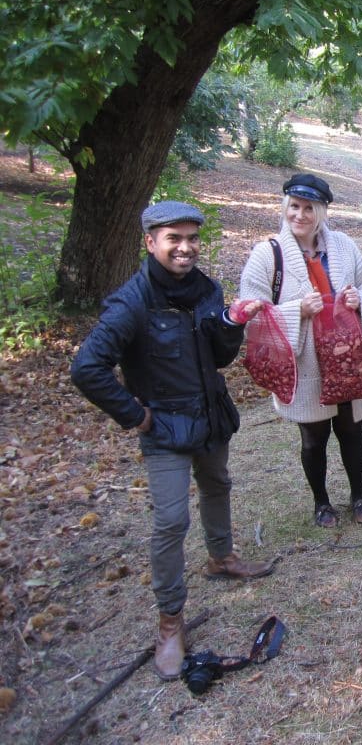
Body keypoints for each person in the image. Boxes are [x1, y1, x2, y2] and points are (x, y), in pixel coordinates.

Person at [70, 201, 274, 681]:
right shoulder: (132, 302)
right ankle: (170, 621)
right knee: (170, 520)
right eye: (173, 239)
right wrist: (134, 415)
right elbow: (87, 368)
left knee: (218, 484)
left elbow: (220, 358)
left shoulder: (206, 289)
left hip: (210, 417)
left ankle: (222, 557)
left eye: (192, 239)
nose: (185, 248)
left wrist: (231, 323)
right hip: (163, 428)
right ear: (150, 242)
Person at [239, 173, 362, 529]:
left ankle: (359, 496)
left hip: (349, 358)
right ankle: (322, 502)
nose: (300, 215)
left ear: (321, 211)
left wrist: (357, 300)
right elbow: (249, 311)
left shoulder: (344, 245)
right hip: (306, 363)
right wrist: (296, 312)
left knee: (352, 430)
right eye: (294, 206)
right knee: (314, 436)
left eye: (309, 208)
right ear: (285, 207)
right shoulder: (268, 254)